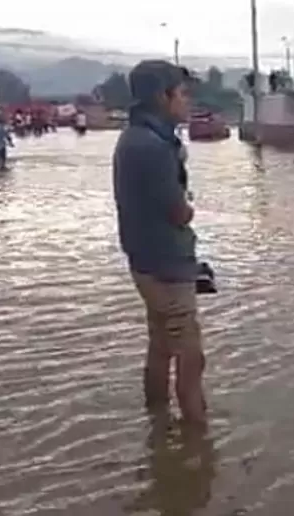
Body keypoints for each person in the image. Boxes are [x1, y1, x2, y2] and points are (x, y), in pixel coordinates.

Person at [112, 60, 207, 428]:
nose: (188, 101)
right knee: (191, 356)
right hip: (166, 266)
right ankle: (199, 446)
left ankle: (158, 426)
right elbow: (178, 212)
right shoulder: (152, 146)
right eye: (182, 94)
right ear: (162, 96)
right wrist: (189, 209)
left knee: (161, 346)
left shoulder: (138, 137)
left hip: (148, 261)